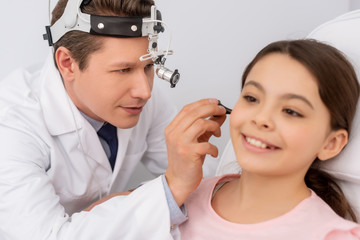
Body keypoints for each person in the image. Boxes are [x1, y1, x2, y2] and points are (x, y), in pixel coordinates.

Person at [0, 0, 226, 239]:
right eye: (123, 70)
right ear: (67, 64)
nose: (145, 91)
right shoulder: (12, 128)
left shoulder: (137, 98)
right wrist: (170, 189)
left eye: (149, 66)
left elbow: (206, 181)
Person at [178, 39, 360, 239]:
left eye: (291, 111)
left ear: (331, 143)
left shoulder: (334, 235)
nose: (261, 118)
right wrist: (173, 185)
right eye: (252, 98)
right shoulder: (176, 197)